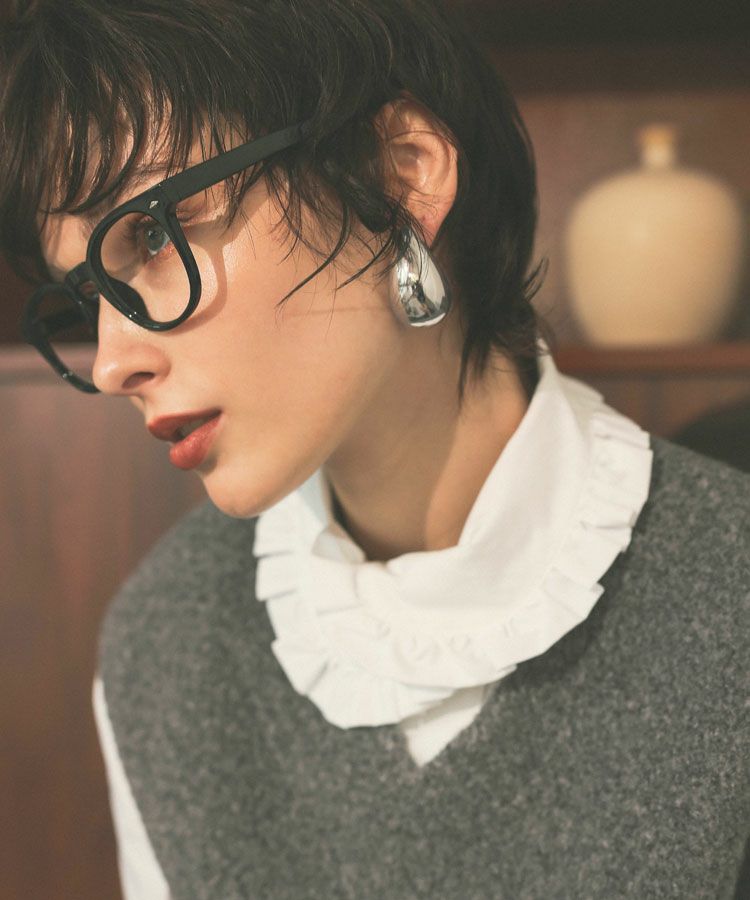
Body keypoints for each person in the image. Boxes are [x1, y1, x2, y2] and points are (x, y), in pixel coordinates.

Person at [2, 2, 748, 898]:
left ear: (400, 175)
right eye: (90, 294)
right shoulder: (164, 646)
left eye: (154, 234)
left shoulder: (727, 593)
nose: (112, 360)